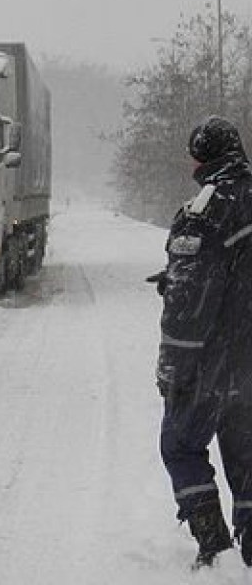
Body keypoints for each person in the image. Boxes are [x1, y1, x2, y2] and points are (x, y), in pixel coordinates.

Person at [155, 115, 252, 569]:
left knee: (180, 443)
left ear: (202, 156)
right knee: (245, 449)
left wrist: (173, 367)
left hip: (217, 358)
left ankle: (214, 546)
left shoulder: (207, 209)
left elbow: (189, 309)